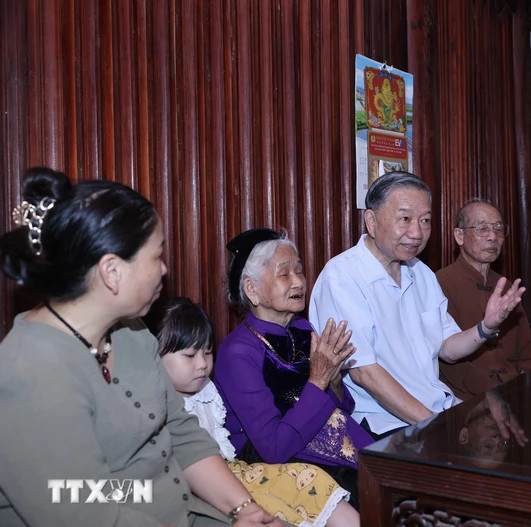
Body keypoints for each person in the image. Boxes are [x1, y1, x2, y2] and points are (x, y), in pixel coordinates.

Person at [0, 167, 280, 526]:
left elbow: (179, 433)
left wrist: (246, 510)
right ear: (111, 272)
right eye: (156, 256)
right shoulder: (29, 372)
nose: (164, 270)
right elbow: (79, 507)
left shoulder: (131, 332)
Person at [309, 172, 526, 439]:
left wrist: (485, 327)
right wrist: (437, 426)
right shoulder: (342, 276)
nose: (417, 233)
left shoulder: (421, 273)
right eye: (405, 219)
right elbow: (364, 373)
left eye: (425, 220)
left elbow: (447, 347)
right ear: (372, 221)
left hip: (436, 408)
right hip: (384, 423)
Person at [145, 297, 359, 527]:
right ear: (153, 355)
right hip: (201, 484)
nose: (202, 364)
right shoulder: (154, 403)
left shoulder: (207, 389)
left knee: (311, 480)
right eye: (189, 356)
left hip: (235, 470)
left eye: (207, 352)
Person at [214, 228, 374, 509]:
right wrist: (319, 379)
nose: (299, 281)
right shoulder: (237, 352)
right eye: (284, 273)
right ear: (252, 290)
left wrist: (333, 379)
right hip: (278, 463)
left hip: (327, 445)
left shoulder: (301, 328)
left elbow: (341, 408)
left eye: (299, 270)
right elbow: (273, 447)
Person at [436, 199, 531, 399]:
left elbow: (527, 353)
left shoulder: (505, 285)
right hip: (465, 399)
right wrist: (496, 391)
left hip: (514, 391)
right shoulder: (440, 283)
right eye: (482, 229)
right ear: (460, 236)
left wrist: (529, 387)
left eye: (498, 229)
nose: (493, 236)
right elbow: (446, 361)